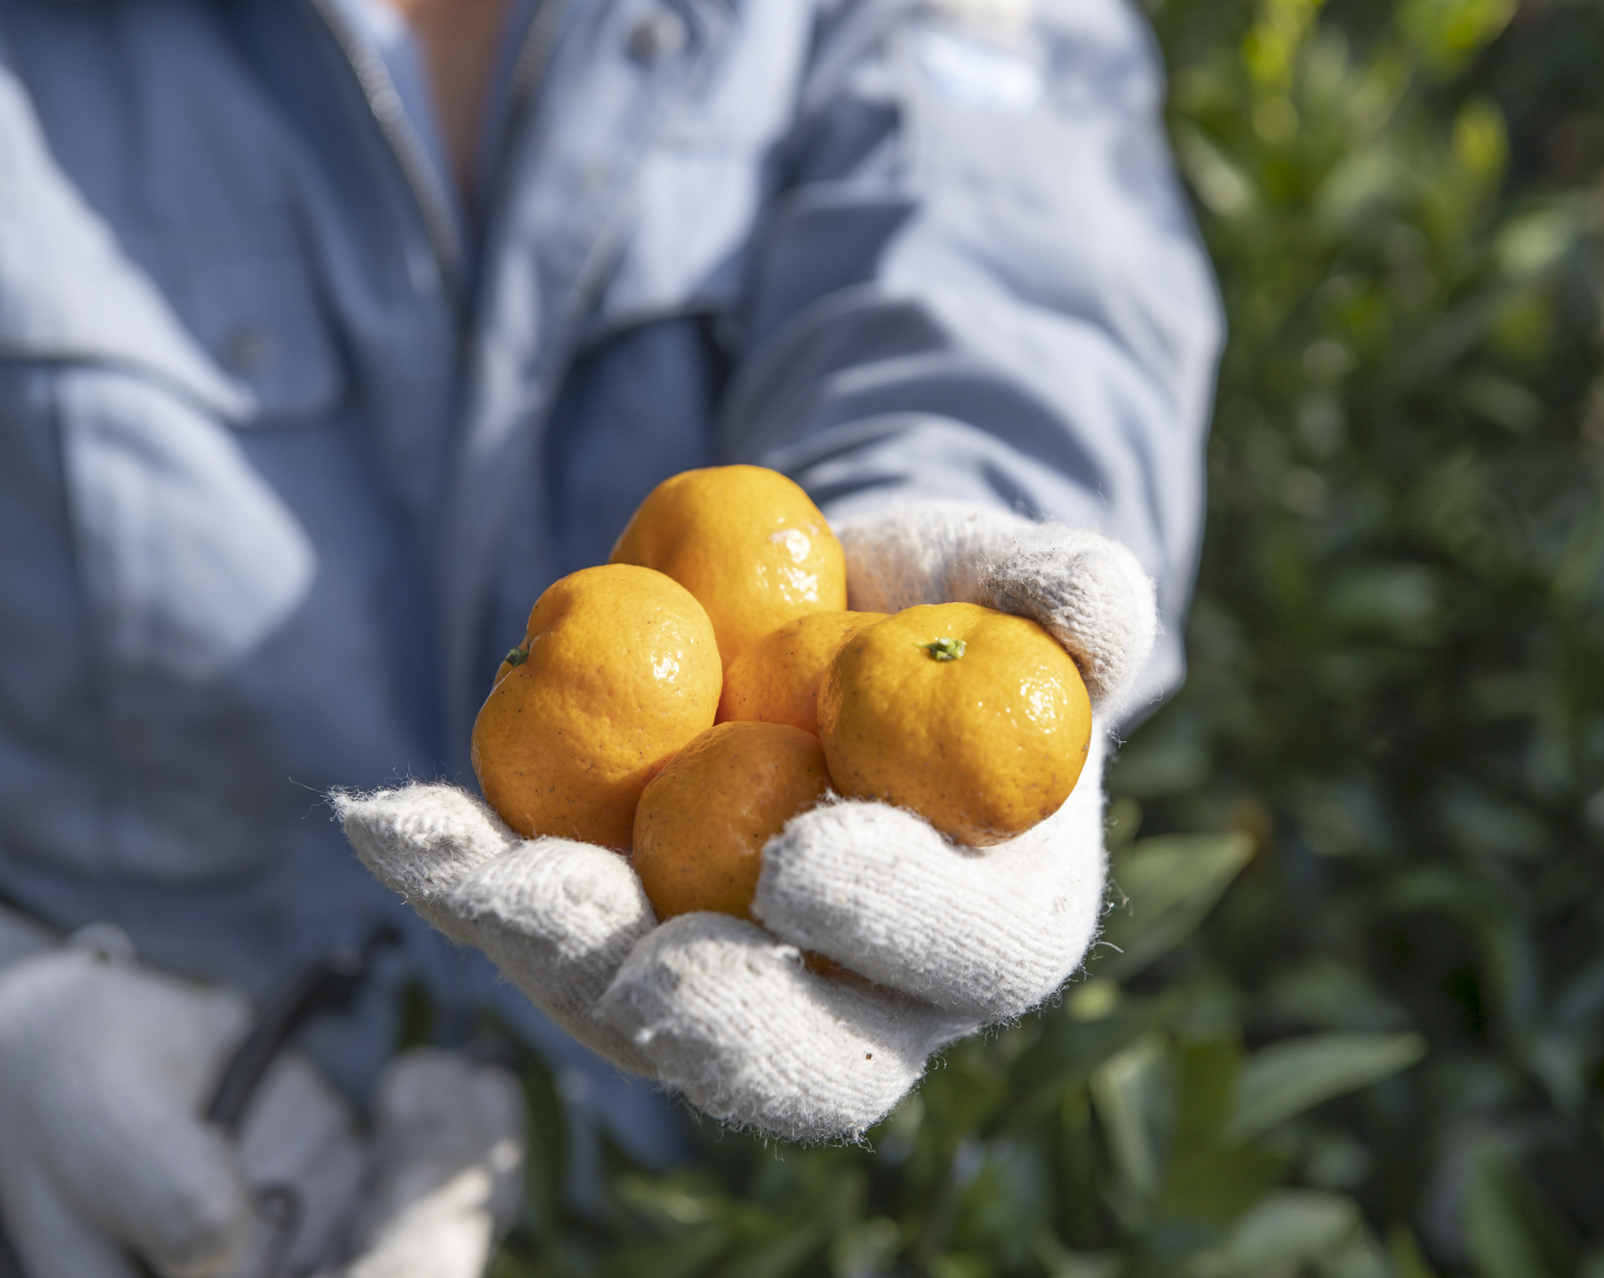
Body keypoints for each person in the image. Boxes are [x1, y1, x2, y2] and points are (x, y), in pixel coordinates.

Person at [0, 0, 1219, 1271]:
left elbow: (1004, 270)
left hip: (718, 1222)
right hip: (194, 1171)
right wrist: (17, 1006)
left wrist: (959, 553)